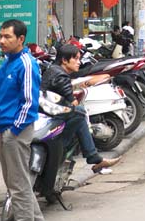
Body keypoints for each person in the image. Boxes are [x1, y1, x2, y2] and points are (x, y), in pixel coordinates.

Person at [0, 19, 44, 221]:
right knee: (14, 178)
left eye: (7, 37)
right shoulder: (7, 62)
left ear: (20, 39)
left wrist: (14, 130)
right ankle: (36, 219)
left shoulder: (26, 63)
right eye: (1, 36)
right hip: (5, 127)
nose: (2, 41)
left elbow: (29, 101)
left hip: (16, 130)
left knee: (17, 181)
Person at [41, 44, 120, 173]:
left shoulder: (52, 70)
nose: (79, 62)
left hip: (48, 115)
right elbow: (72, 101)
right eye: (76, 59)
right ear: (65, 60)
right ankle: (92, 157)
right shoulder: (61, 75)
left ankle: (93, 157)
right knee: (80, 114)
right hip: (51, 119)